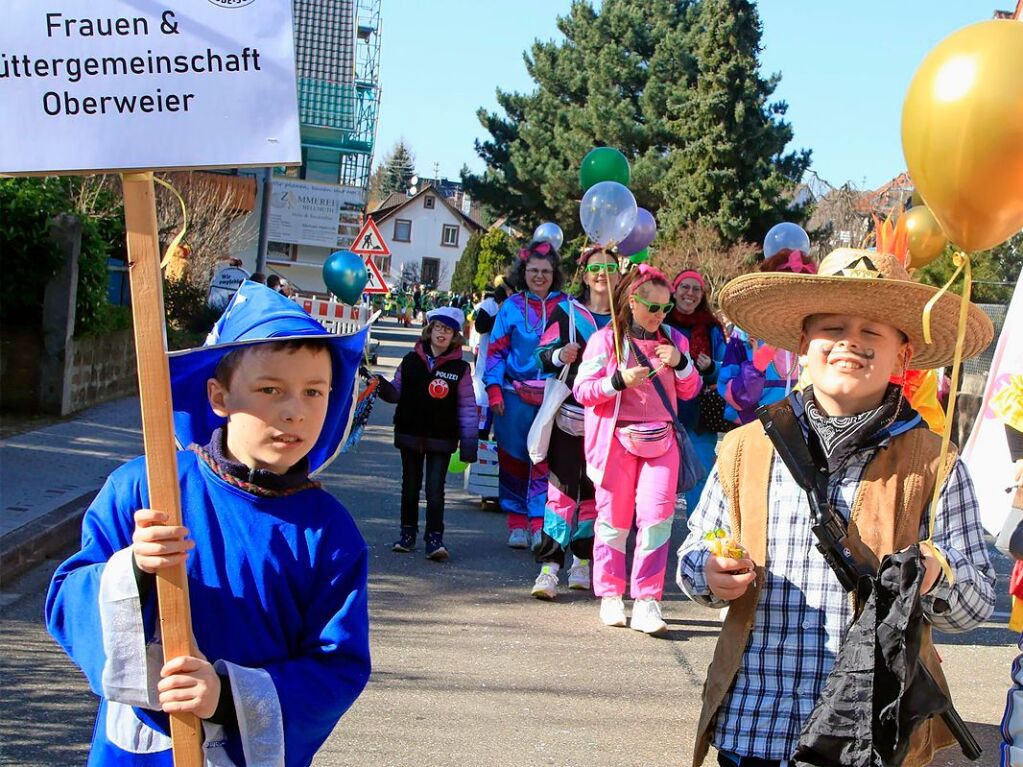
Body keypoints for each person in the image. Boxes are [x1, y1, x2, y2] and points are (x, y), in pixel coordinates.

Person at [677, 247, 996, 767]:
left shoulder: (934, 464)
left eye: (874, 331)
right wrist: (709, 574)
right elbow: (694, 555)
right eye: (833, 327)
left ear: (903, 354)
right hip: (753, 725)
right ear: (803, 344)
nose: (852, 341)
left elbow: (977, 603)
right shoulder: (744, 448)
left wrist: (938, 575)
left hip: (871, 738)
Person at [44, 282, 371, 766]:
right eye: (270, 390)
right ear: (219, 396)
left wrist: (224, 694)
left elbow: (337, 665)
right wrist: (132, 568)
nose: (294, 410)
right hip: (137, 751)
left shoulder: (330, 535)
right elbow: (66, 602)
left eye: (314, 392)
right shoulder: (145, 490)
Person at [574, 265, 702, 634]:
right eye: (652, 307)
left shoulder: (675, 341)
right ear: (632, 302)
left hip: (662, 442)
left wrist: (681, 364)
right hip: (615, 442)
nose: (660, 315)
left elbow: (691, 390)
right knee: (613, 521)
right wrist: (617, 381)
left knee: (657, 521)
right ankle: (611, 593)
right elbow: (583, 390)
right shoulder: (606, 340)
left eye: (666, 308)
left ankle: (648, 600)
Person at [530, 246, 619, 599]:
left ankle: (582, 561)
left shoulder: (624, 317)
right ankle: (549, 568)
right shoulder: (566, 312)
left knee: (594, 495)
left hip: (609, 423)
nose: (602, 274)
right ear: (584, 274)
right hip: (569, 418)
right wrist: (557, 354)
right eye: (595, 267)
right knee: (560, 492)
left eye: (609, 268)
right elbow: (540, 355)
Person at [484, 242, 570, 549]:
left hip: (552, 397)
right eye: (533, 270)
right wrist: (493, 389)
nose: (539, 276)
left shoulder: (567, 306)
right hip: (512, 395)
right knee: (513, 459)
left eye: (545, 271)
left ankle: (538, 522)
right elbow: (495, 352)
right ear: (523, 272)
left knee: (544, 460)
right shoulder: (511, 307)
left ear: (554, 274)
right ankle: (516, 521)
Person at [378, 307, 477, 560]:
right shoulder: (410, 361)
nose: (441, 334)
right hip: (410, 432)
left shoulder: (460, 368)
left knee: (435, 489)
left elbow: (467, 407)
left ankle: (435, 539)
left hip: (441, 438)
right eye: (438, 328)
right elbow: (396, 391)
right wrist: (380, 386)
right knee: (410, 487)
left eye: (448, 330)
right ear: (429, 330)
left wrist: (469, 444)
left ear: (455, 336)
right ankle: (407, 534)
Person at [717, 249, 817, 425]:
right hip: (754, 433)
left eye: (801, 291)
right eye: (784, 289)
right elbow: (729, 392)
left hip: (804, 435)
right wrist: (756, 367)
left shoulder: (815, 334)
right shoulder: (745, 332)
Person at [665, 269, 729, 513]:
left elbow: (726, 370)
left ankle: (697, 537)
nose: (689, 293)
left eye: (695, 289)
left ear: (702, 295)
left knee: (700, 476)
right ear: (675, 289)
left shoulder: (711, 328)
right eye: (685, 287)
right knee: (659, 479)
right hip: (662, 409)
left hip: (698, 415)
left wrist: (712, 367)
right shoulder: (659, 320)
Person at [471, 282, 509, 439]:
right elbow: (481, 326)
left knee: (505, 428)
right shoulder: (490, 305)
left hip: (512, 376)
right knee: (482, 425)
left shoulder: (524, 307)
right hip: (488, 369)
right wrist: (501, 312)